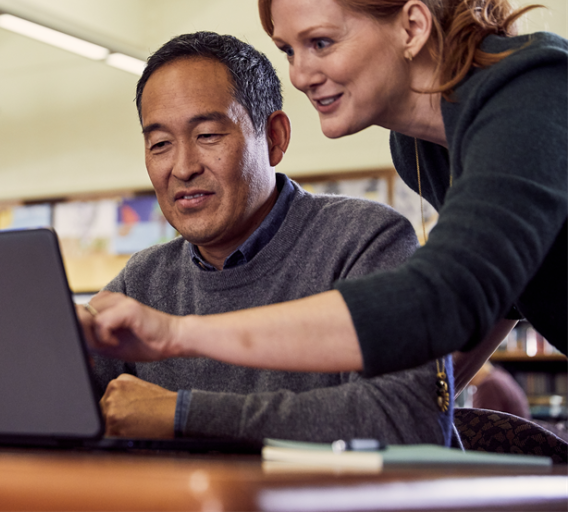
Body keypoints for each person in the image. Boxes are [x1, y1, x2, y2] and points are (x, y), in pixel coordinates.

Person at [82, 0, 568, 385]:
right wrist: (413, 396)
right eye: (289, 50)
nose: (299, 75)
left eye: (321, 42)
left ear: (412, 27)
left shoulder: (531, 91)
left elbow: (445, 296)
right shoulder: (419, 147)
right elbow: (501, 287)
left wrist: (177, 332)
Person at [82, 31, 452, 445]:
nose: (182, 167)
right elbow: (52, 405)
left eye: (207, 135)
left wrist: (184, 413)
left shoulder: (365, 241)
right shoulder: (143, 280)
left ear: (274, 138)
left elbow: (409, 420)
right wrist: (51, 345)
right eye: (160, 144)